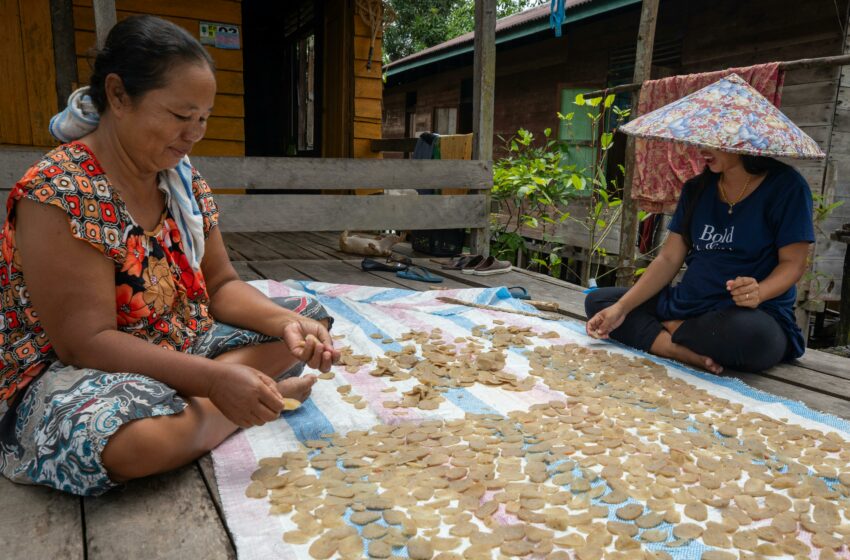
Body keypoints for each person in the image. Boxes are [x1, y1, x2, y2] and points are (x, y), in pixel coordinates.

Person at [0, 15, 340, 496]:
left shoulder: (180, 179)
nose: (194, 133)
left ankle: (208, 404)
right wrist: (217, 380)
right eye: (181, 117)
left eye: (203, 119)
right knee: (133, 442)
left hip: (177, 341)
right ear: (118, 96)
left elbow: (220, 286)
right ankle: (238, 405)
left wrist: (282, 325)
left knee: (303, 323)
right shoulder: (60, 191)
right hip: (78, 370)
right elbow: (86, 343)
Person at [585, 149, 814, 374]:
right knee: (600, 303)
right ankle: (675, 349)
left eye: (714, 142)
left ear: (742, 141)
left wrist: (759, 292)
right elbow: (668, 258)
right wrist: (621, 308)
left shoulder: (787, 187)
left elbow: (793, 264)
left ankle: (672, 327)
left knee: (753, 337)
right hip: (690, 303)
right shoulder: (697, 189)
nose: (703, 149)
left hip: (750, 313)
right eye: (701, 140)